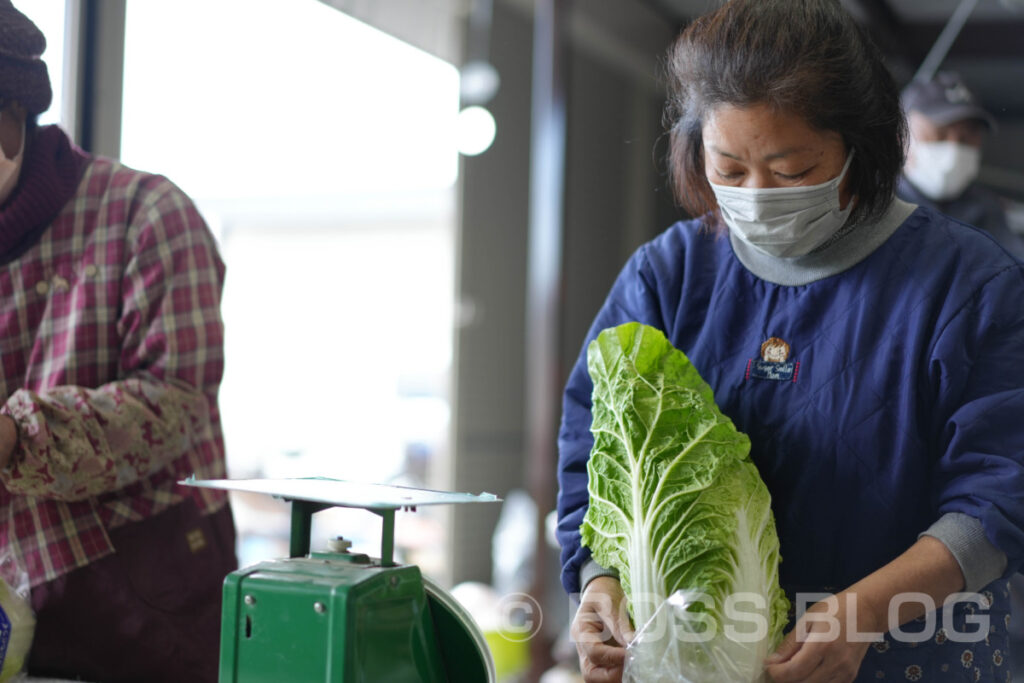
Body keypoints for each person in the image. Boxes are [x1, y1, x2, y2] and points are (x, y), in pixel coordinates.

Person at [555, 1, 1024, 682]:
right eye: (730, 168)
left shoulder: (968, 283)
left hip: (919, 658)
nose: (757, 194)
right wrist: (600, 579)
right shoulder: (670, 275)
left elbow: (1003, 494)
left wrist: (864, 612)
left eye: (793, 170)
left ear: (860, 148)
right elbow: (591, 451)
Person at [0, 2, 237, 681]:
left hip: (145, 601)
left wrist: (19, 437)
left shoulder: (147, 217)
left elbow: (177, 403)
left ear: (17, 115)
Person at [898, 71, 1024, 259]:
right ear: (901, 138)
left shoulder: (985, 209)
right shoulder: (872, 205)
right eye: (939, 135)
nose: (954, 150)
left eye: (966, 139)